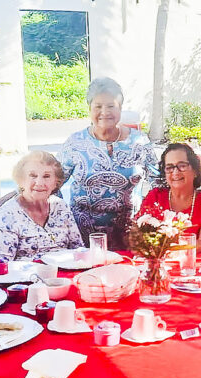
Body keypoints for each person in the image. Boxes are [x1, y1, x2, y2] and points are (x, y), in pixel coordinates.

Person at [59, 77, 158, 250]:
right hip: (82, 235)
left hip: (130, 234)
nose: (104, 112)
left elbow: (158, 182)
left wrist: (149, 218)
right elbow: (52, 182)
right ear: (89, 109)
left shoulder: (139, 141)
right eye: (98, 106)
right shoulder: (75, 143)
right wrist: (60, 219)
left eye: (111, 106)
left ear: (120, 108)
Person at [0, 151, 84, 261]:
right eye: (33, 176)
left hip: (64, 275)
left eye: (46, 176)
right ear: (21, 181)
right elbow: (1, 264)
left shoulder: (60, 206)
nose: (39, 182)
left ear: (56, 182)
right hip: (25, 277)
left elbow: (78, 250)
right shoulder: (7, 214)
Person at [137, 143, 201, 253]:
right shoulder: (155, 197)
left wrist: (166, 248)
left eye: (182, 166)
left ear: (195, 170)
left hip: (191, 265)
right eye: (170, 167)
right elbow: (139, 235)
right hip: (156, 262)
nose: (175, 172)